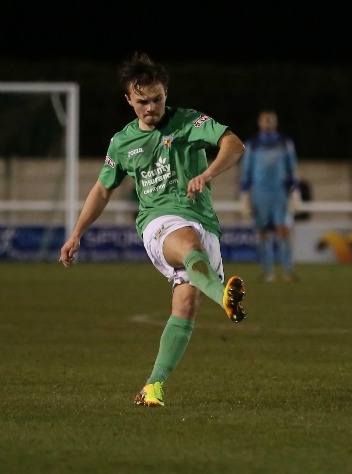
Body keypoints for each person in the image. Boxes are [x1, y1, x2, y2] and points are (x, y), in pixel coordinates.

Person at [58, 52, 247, 408]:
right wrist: (76, 233)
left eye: (157, 99)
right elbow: (102, 189)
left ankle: (152, 387)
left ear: (166, 93)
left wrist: (207, 174)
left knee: (186, 305)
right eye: (142, 101)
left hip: (203, 221)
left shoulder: (189, 122)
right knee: (187, 243)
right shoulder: (122, 143)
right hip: (158, 223)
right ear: (129, 99)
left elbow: (234, 144)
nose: (151, 108)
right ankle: (222, 293)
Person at [239, 110, 302, 282]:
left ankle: (288, 271)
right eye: (265, 121)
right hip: (259, 194)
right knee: (263, 232)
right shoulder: (252, 144)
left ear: (275, 123)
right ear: (260, 123)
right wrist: (244, 194)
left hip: (279, 192)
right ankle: (268, 272)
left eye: (271, 121)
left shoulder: (284, 143)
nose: (268, 123)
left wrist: (296, 190)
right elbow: (246, 171)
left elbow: (292, 167)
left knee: (284, 230)